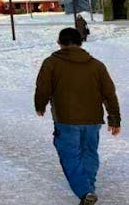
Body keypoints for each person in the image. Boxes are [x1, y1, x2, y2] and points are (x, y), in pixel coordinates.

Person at [35, 28, 120, 205]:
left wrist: (40, 105)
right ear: (81, 42)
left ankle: (85, 191)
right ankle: (88, 187)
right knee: (89, 152)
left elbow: (43, 88)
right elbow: (109, 93)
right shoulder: (96, 65)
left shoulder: (51, 63)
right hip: (93, 119)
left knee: (70, 155)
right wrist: (114, 119)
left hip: (66, 120)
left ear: (59, 43)